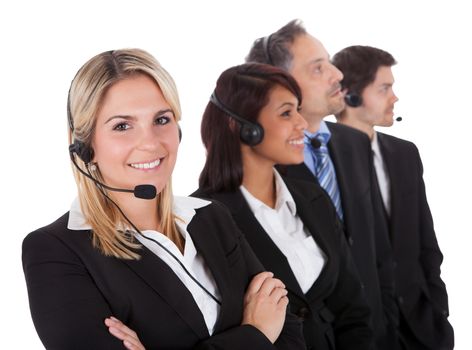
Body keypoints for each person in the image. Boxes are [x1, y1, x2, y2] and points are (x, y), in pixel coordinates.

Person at [21, 48, 306, 350]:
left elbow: (289, 335)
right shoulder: (55, 252)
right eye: (122, 126)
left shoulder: (211, 216)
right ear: (85, 146)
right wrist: (256, 333)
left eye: (161, 119)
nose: (151, 143)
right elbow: (269, 330)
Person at [193, 62, 374, 350]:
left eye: (299, 110)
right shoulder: (203, 217)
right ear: (242, 126)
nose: (302, 124)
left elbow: (353, 308)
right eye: (287, 113)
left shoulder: (313, 199)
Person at [246, 19, 399, 348]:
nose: (338, 75)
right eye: (318, 68)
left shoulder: (354, 143)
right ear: (279, 82)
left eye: (330, 62)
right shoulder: (258, 166)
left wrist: (389, 325)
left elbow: (378, 250)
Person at [332, 45, 454, 350]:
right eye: (384, 88)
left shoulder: (404, 153)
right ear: (350, 94)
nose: (394, 98)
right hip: (361, 328)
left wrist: (438, 306)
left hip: (421, 324)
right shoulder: (323, 160)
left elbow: (426, 239)